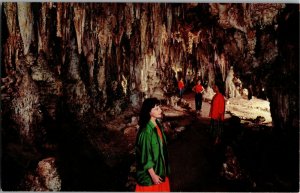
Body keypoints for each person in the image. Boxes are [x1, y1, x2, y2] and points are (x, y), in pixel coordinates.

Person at [135, 98, 171, 192]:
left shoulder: (157, 125)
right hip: (150, 178)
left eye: (159, 107)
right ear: (149, 112)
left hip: (160, 171)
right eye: (156, 108)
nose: (160, 110)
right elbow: (145, 156)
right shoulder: (146, 132)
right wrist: (153, 175)